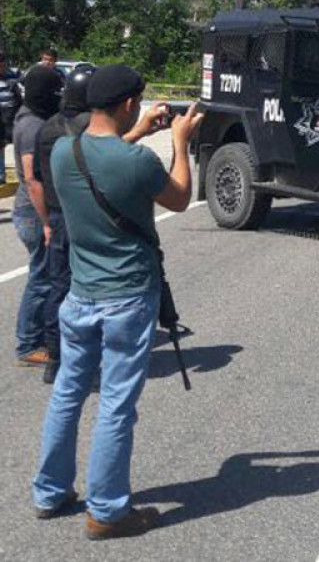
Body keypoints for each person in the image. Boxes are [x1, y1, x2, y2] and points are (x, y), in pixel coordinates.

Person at [32, 64, 202, 539]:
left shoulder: (66, 151)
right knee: (116, 404)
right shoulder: (138, 164)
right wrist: (180, 143)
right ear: (128, 104)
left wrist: (140, 131)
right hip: (127, 298)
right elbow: (182, 197)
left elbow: (100, 164)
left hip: (80, 295)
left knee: (68, 393)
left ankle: (49, 491)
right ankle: (107, 511)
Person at [31, 66, 96, 383]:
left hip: (56, 216)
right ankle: (85, 361)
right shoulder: (91, 128)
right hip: (84, 217)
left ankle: (54, 359)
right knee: (90, 290)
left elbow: (37, 180)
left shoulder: (47, 128)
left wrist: (45, 222)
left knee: (59, 288)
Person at [12, 66, 63, 367]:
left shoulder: (31, 117)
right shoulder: (31, 126)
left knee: (47, 275)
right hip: (33, 212)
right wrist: (46, 223)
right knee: (42, 278)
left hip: (34, 210)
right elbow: (32, 180)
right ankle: (29, 343)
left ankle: (44, 334)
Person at [0, 50, 21, 184]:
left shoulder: (12, 77)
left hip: (11, 114)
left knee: (17, 143)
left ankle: (21, 172)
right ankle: (1, 174)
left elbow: (18, 97)